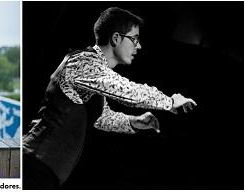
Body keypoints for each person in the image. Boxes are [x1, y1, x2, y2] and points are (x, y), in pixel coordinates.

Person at [22, 7, 197, 189]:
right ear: (116, 38)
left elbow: (101, 118)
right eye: (134, 39)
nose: (139, 46)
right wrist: (169, 101)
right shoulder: (83, 62)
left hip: (46, 170)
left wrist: (133, 122)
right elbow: (126, 90)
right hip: (34, 163)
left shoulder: (95, 74)